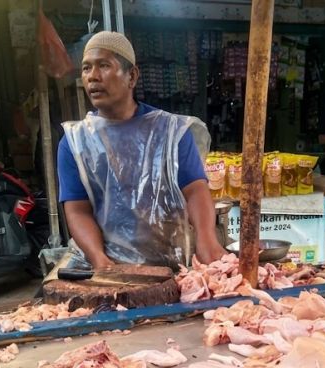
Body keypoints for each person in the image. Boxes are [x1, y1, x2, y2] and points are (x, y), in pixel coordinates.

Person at [57, 31, 226, 269]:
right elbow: (77, 211)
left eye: (104, 65)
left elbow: (195, 189)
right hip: (110, 266)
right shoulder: (74, 142)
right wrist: (99, 259)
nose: (93, 77)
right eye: (86, 68)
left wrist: (207, 239)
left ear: (132, 76)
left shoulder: (171, 131)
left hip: (172, 264)